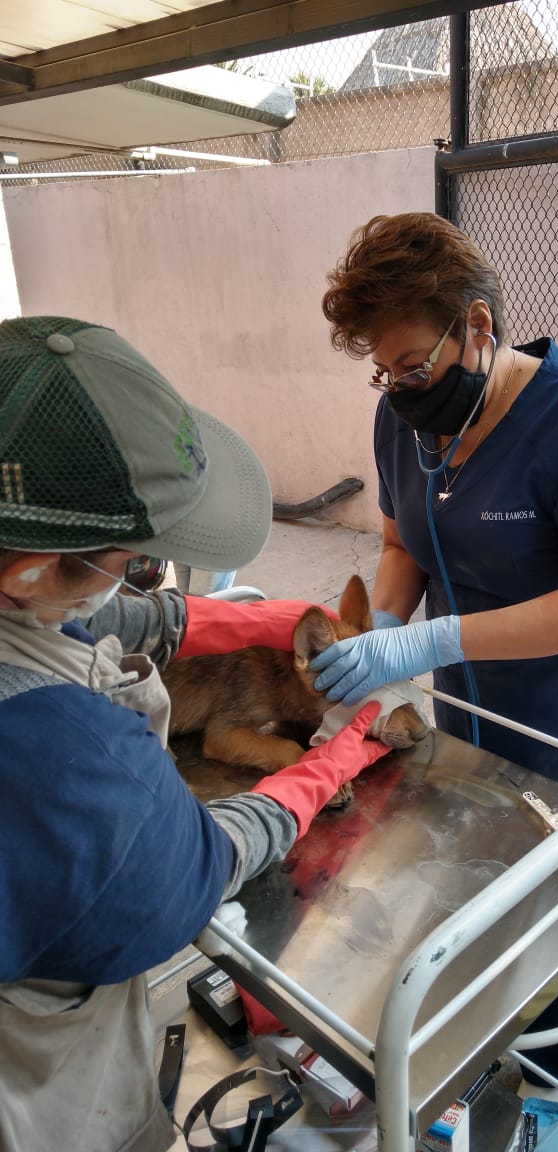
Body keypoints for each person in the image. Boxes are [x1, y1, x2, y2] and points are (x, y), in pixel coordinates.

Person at [0, 315, 391, 1152]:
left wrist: (245, 618)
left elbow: (115, 614)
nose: (142, 569)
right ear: (29, 571)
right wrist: (313, 776)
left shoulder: (25, 595)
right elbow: (191, 872)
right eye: (128, 553)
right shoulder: (62, 748)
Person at [313, 212, 558, 1086]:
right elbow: (401, 542)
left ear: (477, 325)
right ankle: (474, 1058)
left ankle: (554, 1085)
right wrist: (387, 632)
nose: (398, 388)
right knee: (473, 889)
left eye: (414, 365)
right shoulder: (406, 422)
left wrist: (434, 637)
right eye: (382, 371)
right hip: (467, 710)